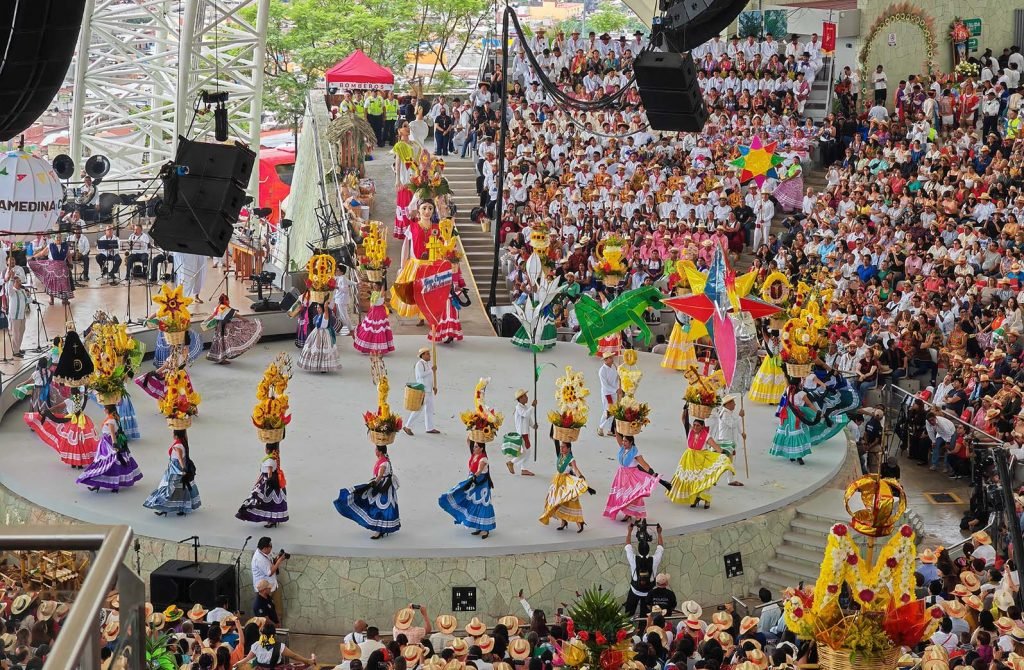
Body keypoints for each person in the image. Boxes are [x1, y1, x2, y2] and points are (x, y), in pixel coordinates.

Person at [334, 444, 401, 540]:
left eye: (376, 449)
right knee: (381, 508)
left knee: (380, 508)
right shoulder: (384, 460)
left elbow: (379, 476)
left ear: (380, 451)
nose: (375, 451)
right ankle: (381, 529)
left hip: (383, 488)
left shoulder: (384, 463)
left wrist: (371, 485)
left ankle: (379, 530)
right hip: (384, 486)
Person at [667, 416, 734, 509]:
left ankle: (706, 500)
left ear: (702, 427)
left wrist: (724, 455)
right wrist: (685, 409)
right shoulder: (690, 430)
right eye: (694, 425)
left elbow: (716, 447)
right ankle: (694, 498)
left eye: (697, 425)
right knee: (691, 480)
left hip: (701, 460)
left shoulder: (706, 435)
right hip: (688, 459)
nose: (695, 427)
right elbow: (683, 419)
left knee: (702, 480)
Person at [24, 385, 98, 469]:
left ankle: (73, 462)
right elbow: (85, 397)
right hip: (82, 422)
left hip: (71, 422)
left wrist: (48, 411)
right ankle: (80, 462)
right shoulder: (82, 400)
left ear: (71, 393)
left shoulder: (68, 401)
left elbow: (57, 407)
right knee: (80, 441)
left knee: (70, 442)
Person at [75, 404, 143, 492]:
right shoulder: (114, 417)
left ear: (107, 410)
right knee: (107, 464)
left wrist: (114, 445)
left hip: (108, 444)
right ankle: (100, 484)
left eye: (105, 408)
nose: (104, 410)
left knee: (106, 463)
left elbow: (112, 433)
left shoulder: (110, 420)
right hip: (106, 443)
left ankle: (107, 485)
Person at [439, 440, 496, 539]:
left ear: (481, 448)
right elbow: (468, 441)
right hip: (473, 482)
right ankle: (479, 526)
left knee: (483, 504)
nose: (474, 448)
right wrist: (473, 429)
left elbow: (479, 471)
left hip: (480, 485)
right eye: (474, 446)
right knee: (473, 503)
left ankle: (485, 528)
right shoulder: (474, 454)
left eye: (476, 447)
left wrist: (472, 479)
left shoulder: (483, 459)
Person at [603, 432, 663, 521]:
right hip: (621, 476)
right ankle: (628, 513)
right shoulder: (623, 448)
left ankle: (638, 514)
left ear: (631, 442)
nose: (623, 443)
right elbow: (618, 436)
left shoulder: (635, 452)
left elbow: (644, 465)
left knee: (634, 496)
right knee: (624, 496)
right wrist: (617, 425)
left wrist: (653, 473)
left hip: (632, 477)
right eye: (623, 441)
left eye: (626, 441)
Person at [143, 429, 200, 516]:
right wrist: (183, 427)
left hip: (176, 469)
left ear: (176, 435)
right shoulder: (184, 443)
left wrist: (183, 469)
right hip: (177, 468)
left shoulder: (177, 446)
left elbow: (180, 459)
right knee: (181, 488)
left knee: (168, 487)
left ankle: (164, 506)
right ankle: (181, 507)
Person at [539, 440, 590, 532]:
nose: (561, 448)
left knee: (569, 501)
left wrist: (582, 479)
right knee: (555, 500)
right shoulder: (561, 455)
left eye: (563, 447)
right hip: (557, 480)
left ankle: (579, 521)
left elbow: (576, 470)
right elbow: (556, 441)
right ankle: (563, 521)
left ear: (569, 448)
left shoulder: (571, 459)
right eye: (561, 446)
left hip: (565, 482)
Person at [236, 444, 289, 528]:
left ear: (267, 450)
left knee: (264, 501)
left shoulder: (270, 461)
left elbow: (269, 474)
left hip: (267, 482)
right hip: (268, 481)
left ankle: (271, 520)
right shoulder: (274, 458)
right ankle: (272, 520)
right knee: (269, 503)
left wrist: (265, 484)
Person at [204, 294, 264, 364]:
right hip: (225, 327)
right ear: (225, 301)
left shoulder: (217, 308)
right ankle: (222, 359)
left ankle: (219, 358)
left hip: (219, 327)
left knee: (219, 342)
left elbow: (213, 316)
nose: (229, 301)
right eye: (227, 300)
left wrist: (205, 321)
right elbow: (237, 315)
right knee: (225, 342)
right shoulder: (226, 309)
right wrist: (245, 320)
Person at [769, 380, 818, 465]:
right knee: (798, 434)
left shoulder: (788, 389)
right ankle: (799, 456)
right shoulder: (801, 393)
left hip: (787, 414)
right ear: (799, 383)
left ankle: (791, 455)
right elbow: (810, 404)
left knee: (788, 433)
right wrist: (818, 413)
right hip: (797, 415)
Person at [231, 622, 315, 668]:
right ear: (274, 635)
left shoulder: (256, 645)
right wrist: (307, 661)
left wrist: (237, 664)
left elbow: (247, 659)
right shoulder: (280, 646)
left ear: (262, 634)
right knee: (296, 666)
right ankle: (311, 661)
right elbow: (294, 656)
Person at [623, 521, 664, 617]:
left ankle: (627, 627)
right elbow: (660, 547)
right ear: (649, 549)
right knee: (645, 615)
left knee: (629, 611)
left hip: (635, 590)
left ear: (638, 549)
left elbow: (628, 545)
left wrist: (629, 531)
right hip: (649, 592)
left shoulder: (633, 559)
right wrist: (659, 533)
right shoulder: (654, 560)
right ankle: (643, 628)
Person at [710, 394, 745, 487]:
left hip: (729, 442)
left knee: (728, 462)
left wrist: (742, 433)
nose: (735, 405)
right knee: (725, 462)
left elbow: (735, 425)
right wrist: (740, 416)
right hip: (725, 442)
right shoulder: (724, 414)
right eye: (733, 402)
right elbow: (732, 424)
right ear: (728, 404)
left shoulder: (728, 413)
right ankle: (719, 479)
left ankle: (723, 479)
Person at [297, 301, 340, 373]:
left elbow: (326, 309)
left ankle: (323, 366)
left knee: (322, 350)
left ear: (323, 309)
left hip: (323, 334)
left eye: (319, 308)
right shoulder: (318, 316)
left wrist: (325, 306)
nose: (317, 309)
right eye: (317, 308)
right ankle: (316, 364)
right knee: (314, 349)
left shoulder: (325, 315)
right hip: (316, 333)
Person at [404, 348, 438, 435]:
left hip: (429, 390)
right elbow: (420, 375)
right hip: (423, 390)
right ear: (422, 355)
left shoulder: (427, 364)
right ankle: (408, 426)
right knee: (418, 409)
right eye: (427, 354)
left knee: (430, 409)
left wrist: (434, 386)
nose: (429, 355)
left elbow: (429, 378)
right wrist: (431, 370)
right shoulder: (419, 364)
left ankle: (430, 428)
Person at [353, 290, 395, 355]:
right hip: (376, 312)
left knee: (376, 330)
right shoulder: (377, 293)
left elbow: (376, 301)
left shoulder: (380, 292)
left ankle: (374, 348)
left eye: (375, 285)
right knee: (375, 330)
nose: (374, 286)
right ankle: (375, 348)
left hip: (377, 312)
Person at [508, 389, 536, 475]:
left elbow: (528, 418)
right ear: (520, 399)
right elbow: (526, 414)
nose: (527, 398)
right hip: (522, 433)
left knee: (526, 451)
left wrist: (533, 425)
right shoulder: (519, 408)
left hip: (526, 432)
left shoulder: (524, 407)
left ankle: (523, 469)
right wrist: (532, 406)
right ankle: (511, 462)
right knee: (527, 451)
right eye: (525, 396)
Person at [5, 274, 29, 357]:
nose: (19, 283)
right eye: (17, 282)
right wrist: (11, 279)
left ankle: (18, 348)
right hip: (15, 316)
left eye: (20, 281)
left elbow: (27, 300)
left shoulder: (22, 291)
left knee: (21, 332)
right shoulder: (12, 292)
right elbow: (9, 288)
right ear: (14, 283)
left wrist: (29, 296)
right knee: (16, 334)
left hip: (22, 316)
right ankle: (15, 352)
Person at [597, 352, 619, 437]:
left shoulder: (614, 367)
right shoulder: (602, 370)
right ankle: (600, 427)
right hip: (607, 394)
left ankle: (610, 430)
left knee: (613, 411)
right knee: (608, 410)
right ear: (606, 360)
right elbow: (605, 385)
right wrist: (615, 390)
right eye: (610, 357)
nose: (612, 359)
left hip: (614, 392)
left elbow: (617, 378)